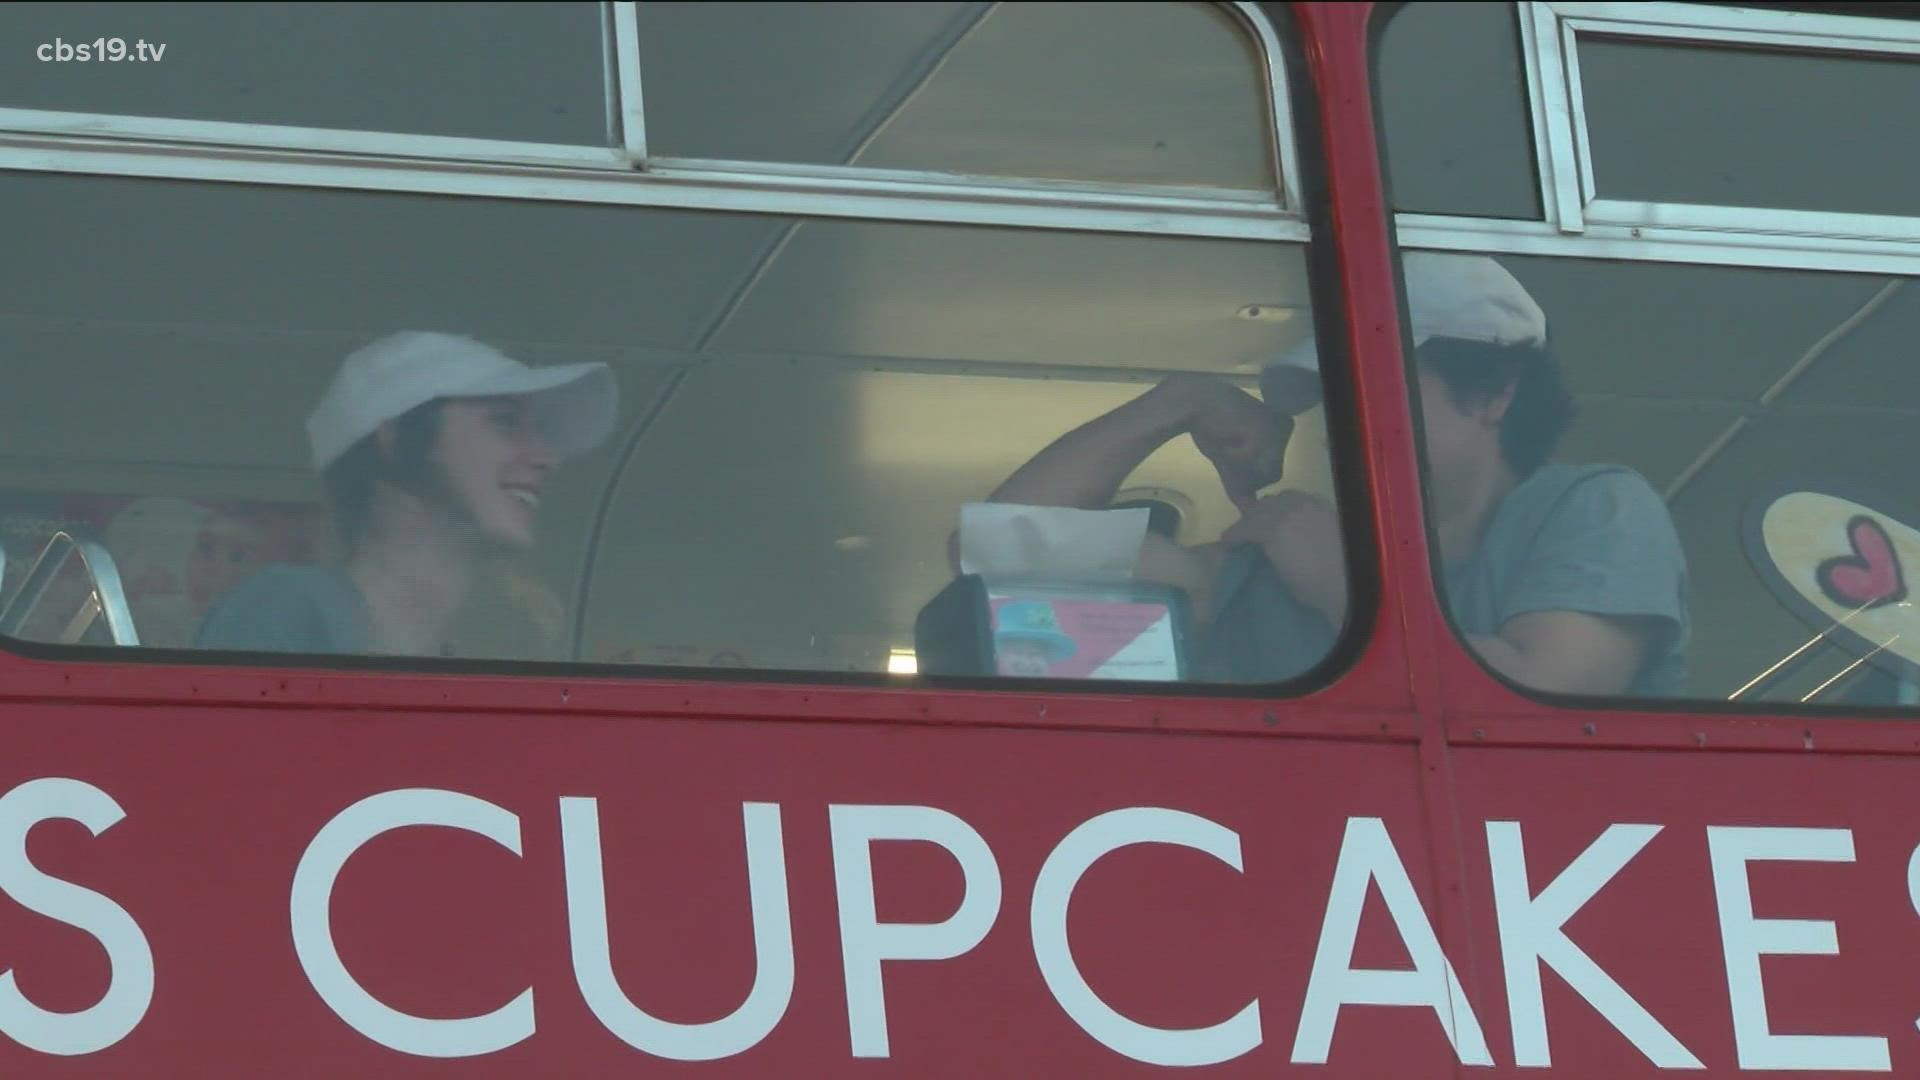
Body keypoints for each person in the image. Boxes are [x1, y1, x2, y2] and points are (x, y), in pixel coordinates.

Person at [975, 253, 1688, 696]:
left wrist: (1345, 586)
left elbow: (1546, 692)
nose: (1348, 420)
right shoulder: (1286, 548)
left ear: (1494, 391)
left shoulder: (1594, 509)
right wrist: (1177, 402)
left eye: (1376, 384)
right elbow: (999, 553)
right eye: (1335, 395)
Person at [195, 331, 617, 657]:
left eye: (539, 431)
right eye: (504, 422)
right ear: (395, 439)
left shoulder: (462, 651)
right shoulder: (287, 609)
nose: (546, 457)